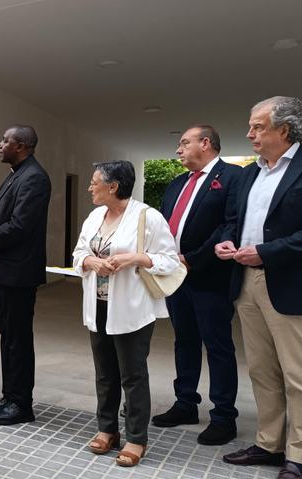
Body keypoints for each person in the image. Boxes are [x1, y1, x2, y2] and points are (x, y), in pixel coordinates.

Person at [215, 96, 302, 479]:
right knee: (262, 371)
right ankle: (269, 444)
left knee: (300, 377)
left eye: (258, 126)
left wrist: (265, 252)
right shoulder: (249, 173)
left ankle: (301, 458)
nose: (250, 134)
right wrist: (226, 241)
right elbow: (234, 219)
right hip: (245, 280)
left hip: (290, 283)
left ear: (284, 128)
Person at [72, 161, 181, 467]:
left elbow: (170, 260)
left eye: (95, 183)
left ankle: (136, 437)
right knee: (105, 374)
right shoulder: (95, 216)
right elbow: (79, 253)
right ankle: (107, 429)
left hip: (132, 308)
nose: (90, 187)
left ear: (113, 186)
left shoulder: (148, 217)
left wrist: (135, 258)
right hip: (99, 305)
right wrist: (92, 263)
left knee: (133, 376)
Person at [151, 124, 242, 445]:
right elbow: (162, 226)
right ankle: (186, 403)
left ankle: (223, 417)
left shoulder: (233, 178)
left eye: (184, 143)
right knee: (184, 341)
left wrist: (193, 259)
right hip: (175, 277)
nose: (178, 150)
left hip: (210, 277)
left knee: (217, 346)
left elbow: (230, 225)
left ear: (206, 143)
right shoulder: (177, 183)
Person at [0, 124, 51, 426]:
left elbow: (20, 225)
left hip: (18, 272)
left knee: (17, 339)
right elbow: (0, 218)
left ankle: (21, 404)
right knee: (8, 338)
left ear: (21, 145)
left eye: (5, 140)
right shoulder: (17, 174)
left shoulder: (34, 178)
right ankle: (9, 396)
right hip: (4, 266)